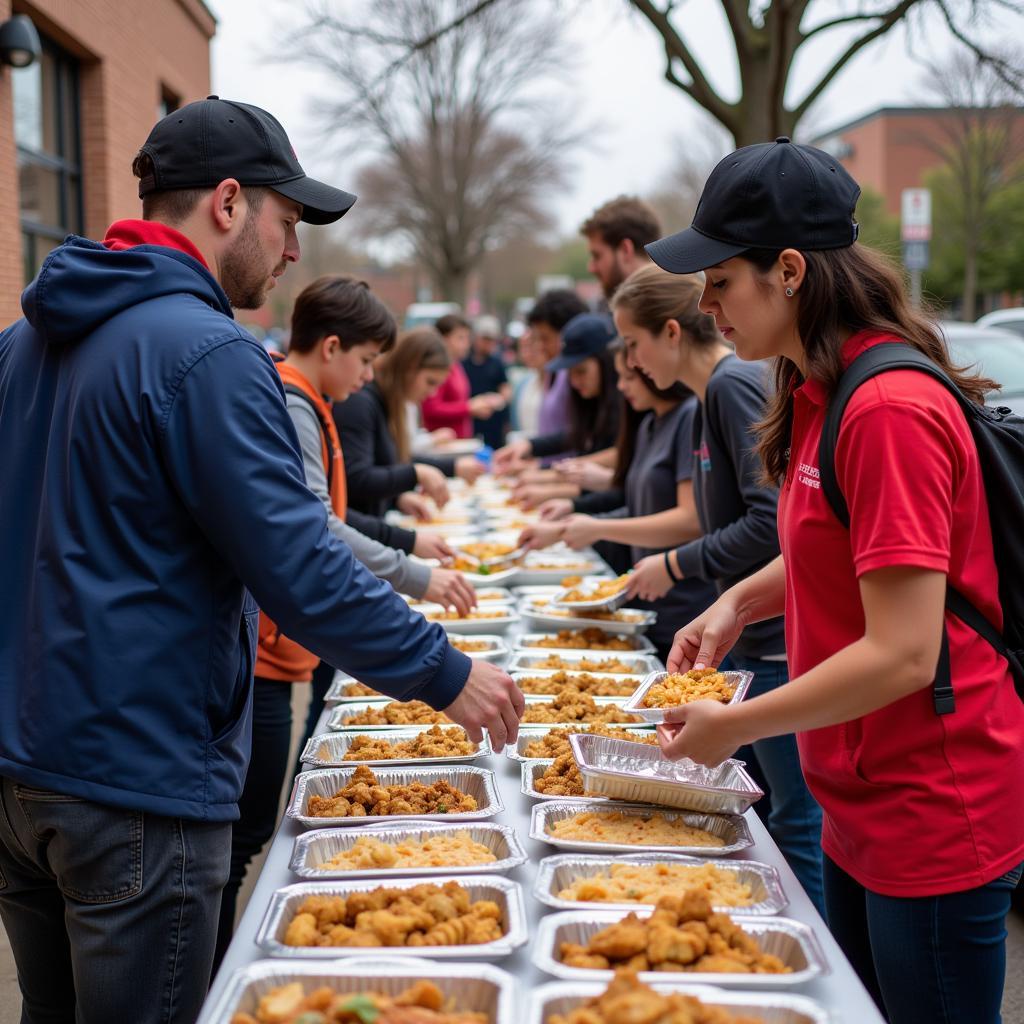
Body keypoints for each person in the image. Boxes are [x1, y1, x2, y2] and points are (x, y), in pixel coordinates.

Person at [0, 97, 524, 1024]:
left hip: (23, 771)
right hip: (137, 784)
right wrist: (445, 672)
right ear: (230, 204)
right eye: (288, 223)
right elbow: (300, 562)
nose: (291, 253)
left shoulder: (20, 343)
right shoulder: (210, 356)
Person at [648, 137, 1024, 1024]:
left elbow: (901, 653)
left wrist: (730, 728)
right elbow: (838, 548)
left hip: (929, 810)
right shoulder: (821, 386)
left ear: (787, 271)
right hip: (857, 798)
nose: (706, 306)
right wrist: (739, 599)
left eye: (719, 282)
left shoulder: (887, 408)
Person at [215, 276, 478, 965]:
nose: (368, 379)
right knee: (243, 844)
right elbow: (319, 530)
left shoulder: (313, 400)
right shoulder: (296, 402)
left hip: (283, 649)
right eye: (365, 362)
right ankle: (214, 982)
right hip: (269, 654)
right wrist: (415, 571)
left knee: (242, 842)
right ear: (331, 347)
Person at [613, 263, 825, 913]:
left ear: (670, 333)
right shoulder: (713, 393)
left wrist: (676, 567)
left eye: (634, 343)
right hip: (749, 637)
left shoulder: (732, 385)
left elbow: (769, 525)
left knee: (794, 823)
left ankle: (809, 942)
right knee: (768, 815)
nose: (633, 360)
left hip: (774, 645)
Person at [520, 344, 717, 660]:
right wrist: (567, 526)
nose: (621, 386)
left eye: (629, 377)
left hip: (683, 603)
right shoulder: (650, 424)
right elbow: (641, 510)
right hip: (646, 600)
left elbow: (689, 520)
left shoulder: (689, 417)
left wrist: (597, 526)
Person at [334, 327, 485, 521]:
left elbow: (389, 463)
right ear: (410, 367)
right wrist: (415, 474)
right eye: (430, 382)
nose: (431, 393)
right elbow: (355, 479)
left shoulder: (386, 401)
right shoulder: (361, 402)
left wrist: (396, 499)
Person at [494, 313, 621, 508]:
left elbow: (620, 455)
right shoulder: (592, 400)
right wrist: (530, 448)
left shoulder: (624, 400)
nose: (574, 381)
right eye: (570, 374)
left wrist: (549, 476)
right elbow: (576, 435)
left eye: (581, 371)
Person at [422, 313, 504, 439]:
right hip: (443, 444)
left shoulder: (457, 365)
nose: (466, 344)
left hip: (460, 441)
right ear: (443, 339)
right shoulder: (438, 369)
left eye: (467, 338)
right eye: (460, 338)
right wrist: (469, 407)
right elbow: (431, 408)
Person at [580, 194, 662, 300]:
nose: (591, 268)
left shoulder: (661, 312)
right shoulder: (678, 302)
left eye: (597, 256)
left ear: (625, 250)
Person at [463, 314, 512, 448]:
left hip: (493, 421)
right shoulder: (464, 362)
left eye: (491, 340)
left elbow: (505, 388)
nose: (488, 344)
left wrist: (499, 400)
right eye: (485, 339)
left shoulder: (497, 362)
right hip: (471, 420)